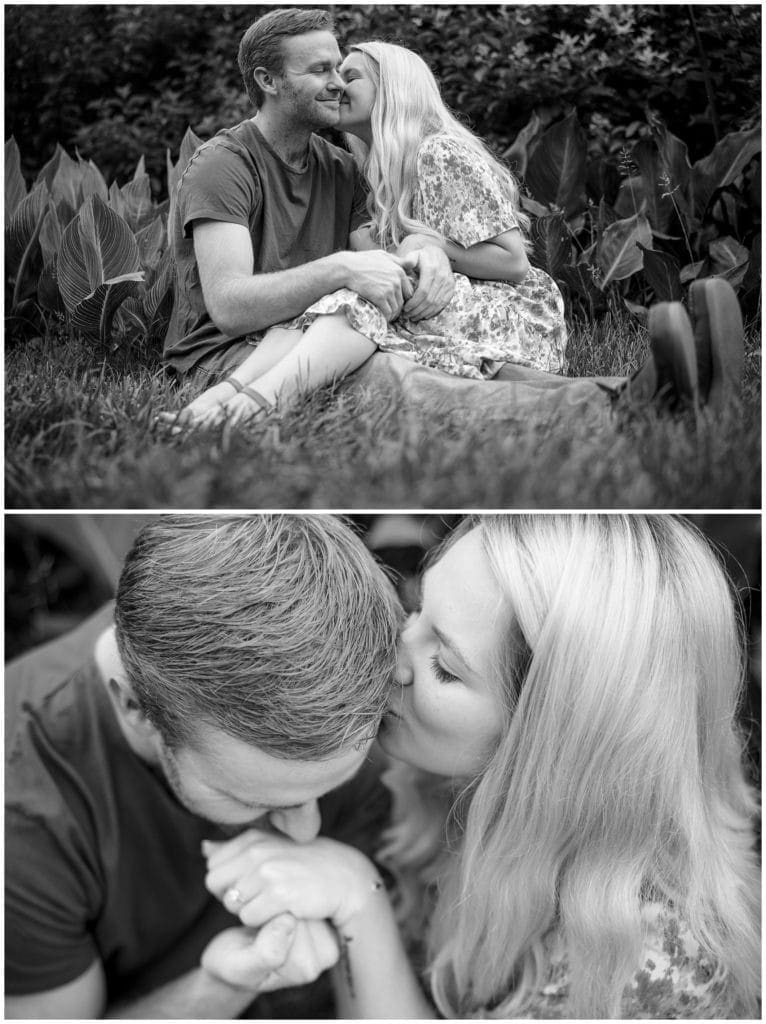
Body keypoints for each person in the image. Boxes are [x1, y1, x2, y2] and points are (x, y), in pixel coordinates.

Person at [204, 515, 761, 1018]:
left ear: (554, 749)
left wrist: (357, 901)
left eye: (444, 666)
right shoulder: (445, 780)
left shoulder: (645, 971)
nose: (390, 653)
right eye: (417, 606)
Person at [158, 8, 743, 433]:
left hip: (315, 334)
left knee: (441, 360)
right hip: (235, 353)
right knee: (391, 378)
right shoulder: (224, 165)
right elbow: (229, 306)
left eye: (342, 68)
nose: (337, 82)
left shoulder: (340, 167)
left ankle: (653, 392)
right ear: (267, 81)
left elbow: (381, 254)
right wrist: (341, 267)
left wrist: (429, 252)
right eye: (319, 71)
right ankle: (624, 412)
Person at [4, 514, 401, 1019]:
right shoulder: (21, 813)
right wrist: (219, 988)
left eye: (324, 790)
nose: (308, 833)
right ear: (135, 708)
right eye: (250, 797)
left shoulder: (343, 684)